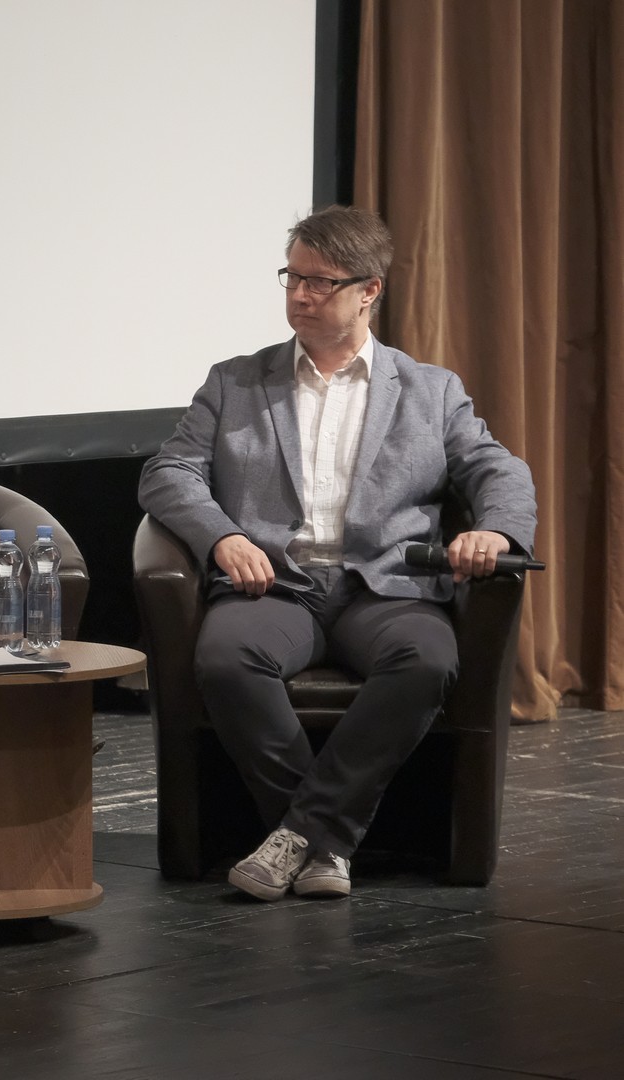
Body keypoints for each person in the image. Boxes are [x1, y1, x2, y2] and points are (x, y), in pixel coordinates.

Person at [139, 206, 537, 902]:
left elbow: (498, 470)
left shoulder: (430, 390)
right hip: (276, 585)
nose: (299, 295)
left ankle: (299, 835)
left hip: (385, 587)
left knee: (428, 659)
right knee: (226, 658)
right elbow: (168, 472)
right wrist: (223, 536)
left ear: (369, 291)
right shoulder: (235, 382)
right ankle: (325, 842)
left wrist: (495, 532)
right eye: (292, 277)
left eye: (319, 282)